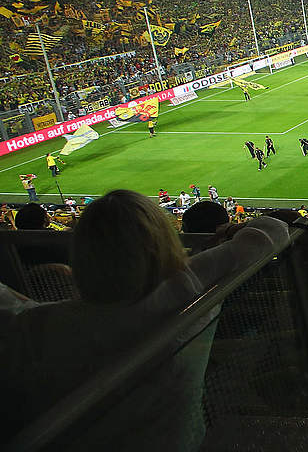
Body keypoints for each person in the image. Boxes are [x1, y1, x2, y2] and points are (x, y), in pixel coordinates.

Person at [0, 191, 289, 450]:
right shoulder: (188, 286)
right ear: (162, 242)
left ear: (80, 253)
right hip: (183, 441)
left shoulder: (35, 326)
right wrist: (230, 230)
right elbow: (273, 230)